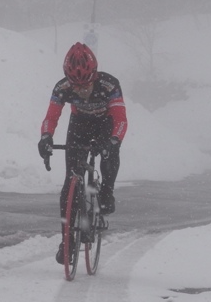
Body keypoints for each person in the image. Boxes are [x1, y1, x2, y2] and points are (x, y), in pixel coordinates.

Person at [37, 42, 127, 264]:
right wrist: (46, 137)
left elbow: (120, 120)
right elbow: (51, 116)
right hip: (79, 125)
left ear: (94, 76)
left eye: (85, 85)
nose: (81, 91)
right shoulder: (62, 88)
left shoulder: (109, 84)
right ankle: (66, 241)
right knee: (69, 182)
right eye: (75, 87)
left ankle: (106, 192)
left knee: (109, 156)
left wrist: (113, 141)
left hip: (105, 123)